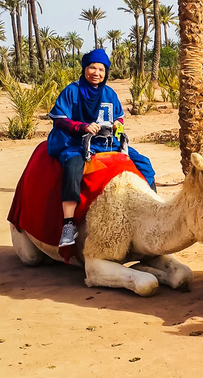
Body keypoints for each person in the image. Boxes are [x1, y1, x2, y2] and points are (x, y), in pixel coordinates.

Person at [47, 48, 156, 247]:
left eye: (101, 69)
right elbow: (59, 118)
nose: (96, 73)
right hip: (75, 142)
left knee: (143, 163)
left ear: (105, 72)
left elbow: (119, 116)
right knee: (73, 167)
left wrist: (117, 125)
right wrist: (82, 127)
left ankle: (153, 210)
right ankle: (68, 224)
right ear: (84, 68)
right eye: (92, 68)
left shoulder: (109, 93)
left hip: (107, 142)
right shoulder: (72, 91)